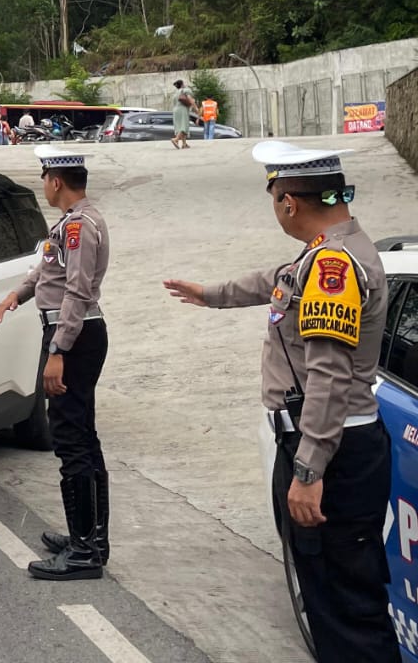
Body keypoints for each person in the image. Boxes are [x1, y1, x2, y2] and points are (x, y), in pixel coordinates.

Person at [164, 142, 398, 663]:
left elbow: (330, 374)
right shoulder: (332, 250)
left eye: (273, 198)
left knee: (346, 608)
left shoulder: (333, 265)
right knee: (332, 593)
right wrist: (210, 293)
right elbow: (277, 282)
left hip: (334, 453)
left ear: (288, 202)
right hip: (339, 444)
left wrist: (309, 469)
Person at [0, 147, 110, 581]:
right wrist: (15, 295)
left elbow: (76, 293)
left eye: (44, 178)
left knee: (70, 439)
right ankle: (91, 538)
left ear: (55, 181)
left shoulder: (78, 227)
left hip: (72, 336)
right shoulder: (74, 222)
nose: (43, 185)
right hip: (74, 333)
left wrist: (57, 351)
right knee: (83, 435)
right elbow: (46, 273)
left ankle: (83, 553)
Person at [171, 79, 195, 150]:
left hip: (175, 110)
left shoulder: (175, 93)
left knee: (179, 126)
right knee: (184, 126)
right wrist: (195, 108)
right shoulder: (185, 90)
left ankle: (184, 144)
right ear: (182, 84)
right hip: (182, 109)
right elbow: (190, 99)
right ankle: (176, 139)